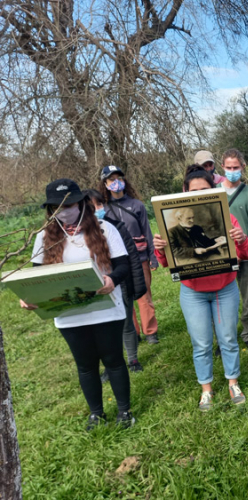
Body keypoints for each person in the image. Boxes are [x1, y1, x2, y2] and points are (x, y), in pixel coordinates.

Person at [21, 179, 134, 430]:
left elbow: (124, 265)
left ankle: (124, 411)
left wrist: (111, 279)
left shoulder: (105, 229)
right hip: (69, 315)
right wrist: (29, 298)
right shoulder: (44, 237)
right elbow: (36, 276)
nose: (65, 210)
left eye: (69, 204)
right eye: (57, 206)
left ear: (81, 203)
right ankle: (96, 413)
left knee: (114, 360)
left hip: (106, 310)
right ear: (50, 210)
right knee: (85, 366)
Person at [153, 166, 248, 410]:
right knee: (201, 343)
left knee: (228, 338)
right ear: (184, 192)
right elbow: (167, 262)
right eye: (194, 191)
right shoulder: (172, 230)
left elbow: (247, 253)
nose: (199, 194)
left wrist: (240, 240)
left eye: (205, 190)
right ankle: (206, 389)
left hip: (224, 288)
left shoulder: (225, 218)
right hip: (193, 293)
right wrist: (159, 247)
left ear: (214, 191)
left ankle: (233, 383)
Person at [86, 189, 147, 378]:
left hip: (122, 284)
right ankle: (109, 365)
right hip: (97, 289)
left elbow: (132, 259)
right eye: (92, 207)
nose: (97, 209)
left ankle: (133, 359)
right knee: (104, 331)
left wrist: (138, 285)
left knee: (127, 324)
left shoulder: (117, 227)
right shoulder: (79, 236)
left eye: (99, 205)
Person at [98, 165, 159, 344]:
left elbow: (147, 232)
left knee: (144, 294)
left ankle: (151, 332)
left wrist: (153, 256)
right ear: (105, 184)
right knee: (124, 298)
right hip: (117, 263)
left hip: (140, 259)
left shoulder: (136, 205)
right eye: (112, 179)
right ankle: (133, 332)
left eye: (119, 178)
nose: (116, 182)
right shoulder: (103, 209)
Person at [221, 149, 248, 350]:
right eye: (228, 167)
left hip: (246, 255)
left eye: (235, 167)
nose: (232, 171)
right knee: (222, 300)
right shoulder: (214, 193)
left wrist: (247, 249)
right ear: (223, 167)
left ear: (243, 167)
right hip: (221, 255)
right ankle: (224, 337)